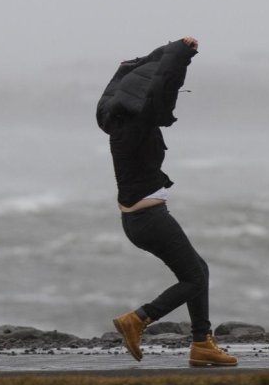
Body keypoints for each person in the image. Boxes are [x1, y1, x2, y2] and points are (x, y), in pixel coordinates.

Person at [96, 36, 237, 367]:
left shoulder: (115, 122)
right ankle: (138, 319)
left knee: (196, 271)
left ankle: (202, 344)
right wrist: (182, 53)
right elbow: (162, 88)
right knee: (195, 277)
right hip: (149, 220)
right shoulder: (138, 124)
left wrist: (152, 58)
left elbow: (136, 76)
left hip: (138, 219)